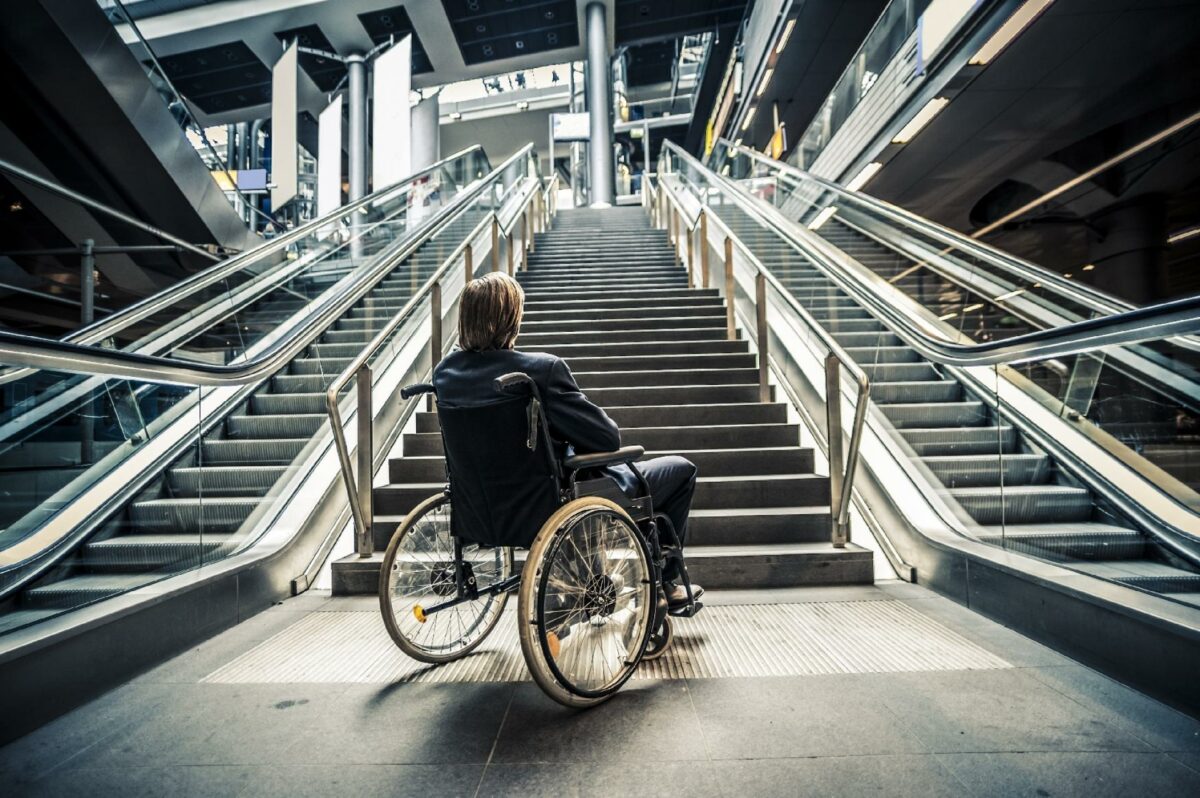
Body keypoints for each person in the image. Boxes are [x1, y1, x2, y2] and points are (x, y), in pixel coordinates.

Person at [432, 272, 702, 608]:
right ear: (510, 320)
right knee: (681, 470)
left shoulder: (445, 375)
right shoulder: (539, 371)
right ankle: (663, 584)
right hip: (550, 500)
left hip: (481, 504)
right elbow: (606, 438)